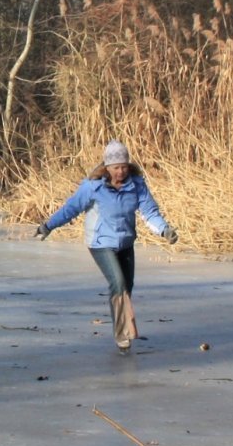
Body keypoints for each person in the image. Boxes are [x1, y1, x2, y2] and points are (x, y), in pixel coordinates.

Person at [34, 141, 176, 351]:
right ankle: (122, 334)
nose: (121, 171)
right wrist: (48, 226)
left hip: (125, 242)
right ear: (107, 167)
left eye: (124, 166)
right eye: (116, 167)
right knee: (118, 283)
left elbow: (149, 212)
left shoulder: (136, 185)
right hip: (100, 243)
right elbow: (70, 209)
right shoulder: (93, 187)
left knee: (127, 287)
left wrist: (165, 230)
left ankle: (124, 328)